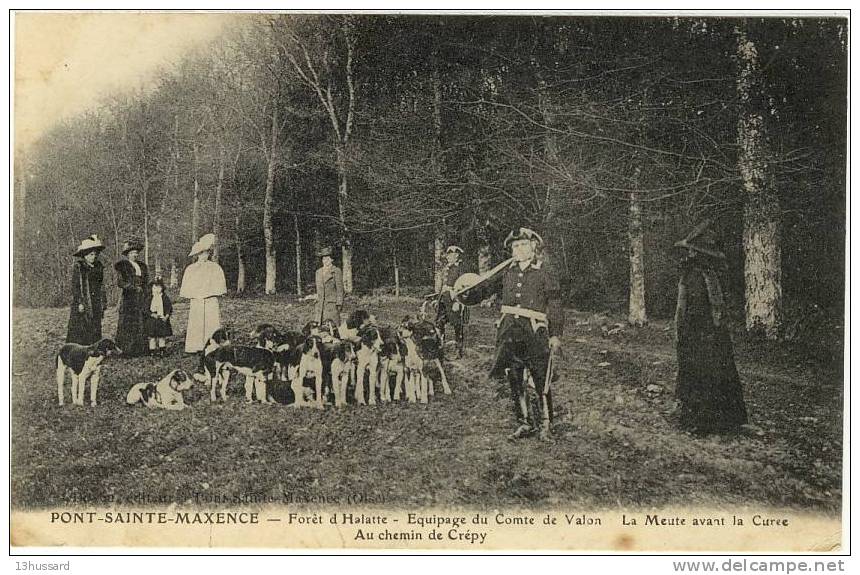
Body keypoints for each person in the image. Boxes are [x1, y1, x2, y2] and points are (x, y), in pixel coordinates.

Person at [456, 227, 564, 440]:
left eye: (524, 244)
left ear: (534, 247)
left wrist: (555, 334)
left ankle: (545, 426)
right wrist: (465, 292)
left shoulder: (544, 273)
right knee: (514, 377)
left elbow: (556, 305)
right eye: (516, 246)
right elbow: (483, 289)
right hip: (508, 332)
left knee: (541, 378)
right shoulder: (507, 272)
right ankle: (525, 423)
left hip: (534, 331)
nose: (519, 249)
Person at [674, 220, 748, 435]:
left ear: (697, 254)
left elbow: (693, 308)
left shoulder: (698, 276)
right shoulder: (706, 274)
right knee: (712, 372)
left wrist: (683, 332)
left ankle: (703, 422)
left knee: (704, 373)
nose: (688, 255)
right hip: (709, 333)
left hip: (701, 333)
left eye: (691, 251)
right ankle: (716, 419)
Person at [180, 233, 227, 354]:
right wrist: (195, 293)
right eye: (201, 253)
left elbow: (219, 283)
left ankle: (213, 345)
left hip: (210, 299)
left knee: (212, 322)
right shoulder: (191, 269)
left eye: (206, 253)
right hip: (197, 299)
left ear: (208, 254)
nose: (203, 256)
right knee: (197, 322)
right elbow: (187, 285)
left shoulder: (215, 267)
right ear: (197, 255)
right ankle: (196, 346)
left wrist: (214, 291)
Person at [66, 235, 107, 345]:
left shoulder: (98, 266)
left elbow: (101, 285)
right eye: (90, 254)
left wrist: (103, 300)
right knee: (82, 324)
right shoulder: (79, 267)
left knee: (95, 323)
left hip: (95, 300)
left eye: (95, 254)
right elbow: (75, 286)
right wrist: (79, 302)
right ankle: (80, 348)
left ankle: (94, 346)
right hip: (84, 300)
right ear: (84, 255)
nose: (93, 257)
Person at [114, 239, 149, 357]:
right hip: (129, 298)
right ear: (127, 254)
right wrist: (133, 287)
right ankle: (127, 350)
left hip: (141, 297)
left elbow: (146, 281)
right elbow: (120, 282)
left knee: (141, 320)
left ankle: (141, 349)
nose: (135, 254)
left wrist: (146, 291)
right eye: (132, 252)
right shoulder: (123, 266)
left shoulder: (142, 266)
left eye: (136, 252)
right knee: (128, 322)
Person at [435, 245, 470, 357]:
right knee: (440, 323)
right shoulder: (446, 268)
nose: (449, 257)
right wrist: (437, 299)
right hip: (443, 299)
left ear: (457, 256)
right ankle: (441, 346)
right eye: (448, 255)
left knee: (457, 325)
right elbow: (443, 286)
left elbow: (464, 286)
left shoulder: (460, 269)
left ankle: (458, 350)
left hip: (454, 299)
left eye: (452, 255)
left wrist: (457, 302)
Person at [314, 246, 344, 325]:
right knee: (319, 328)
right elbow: (318, 289)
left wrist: (339, 304)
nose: (325, 261)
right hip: (320, 306)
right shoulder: (318, 272)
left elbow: (340, 289)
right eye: (323, 259)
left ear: (332, 259)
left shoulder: (336, 271)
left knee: (332, 327)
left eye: (327, 259)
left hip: (331, 305)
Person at [145, 277, 173, 357]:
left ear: (162, 288)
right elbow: (145, 309)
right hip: (152, 320)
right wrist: (152, 314)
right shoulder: (150, 298)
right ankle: (152, 351)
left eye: (158, 287)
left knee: (162, 336)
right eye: (154, 287)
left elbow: (169, 307)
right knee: (152, 337)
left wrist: (166, 316)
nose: (156, 290)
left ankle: (162, 350)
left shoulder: (164, 297)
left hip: (162, 319)